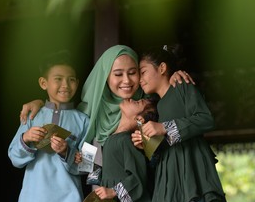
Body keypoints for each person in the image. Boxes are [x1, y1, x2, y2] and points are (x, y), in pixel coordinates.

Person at [19, 45, 194, 168]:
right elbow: (87, 167)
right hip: (112, 196)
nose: (126, 81)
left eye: (133, 73)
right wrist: (40, 103)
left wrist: (172, 79)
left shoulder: (149, 104)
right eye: (118, 74)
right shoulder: (89, 115)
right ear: (105, 77)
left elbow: (158, 155)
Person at [132, 44, 229, 202]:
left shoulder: (181, 85)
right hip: (168, 184)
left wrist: (164, 127)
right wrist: (146, 144)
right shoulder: (158, 106)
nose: (139, 80)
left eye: (142, 72)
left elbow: (205, 119)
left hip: (192, 174)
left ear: (162, 68)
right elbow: (164, 146)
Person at [8, 51, 89, 202]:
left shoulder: (84, 121)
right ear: (43, 83)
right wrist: (26, 138)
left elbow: (88, 165)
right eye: (58, 79)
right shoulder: (32, 116)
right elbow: (14, 157)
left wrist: (66, 151)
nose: (65, 85)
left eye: (71, 79)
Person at [77, 97, 159, 202]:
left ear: (139, 119)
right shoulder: (112, 139)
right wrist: (84, 162)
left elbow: (138, 176)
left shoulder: (126, 141)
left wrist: (113, 191)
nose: (131, 98)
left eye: (137, 102)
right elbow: (110, 174)